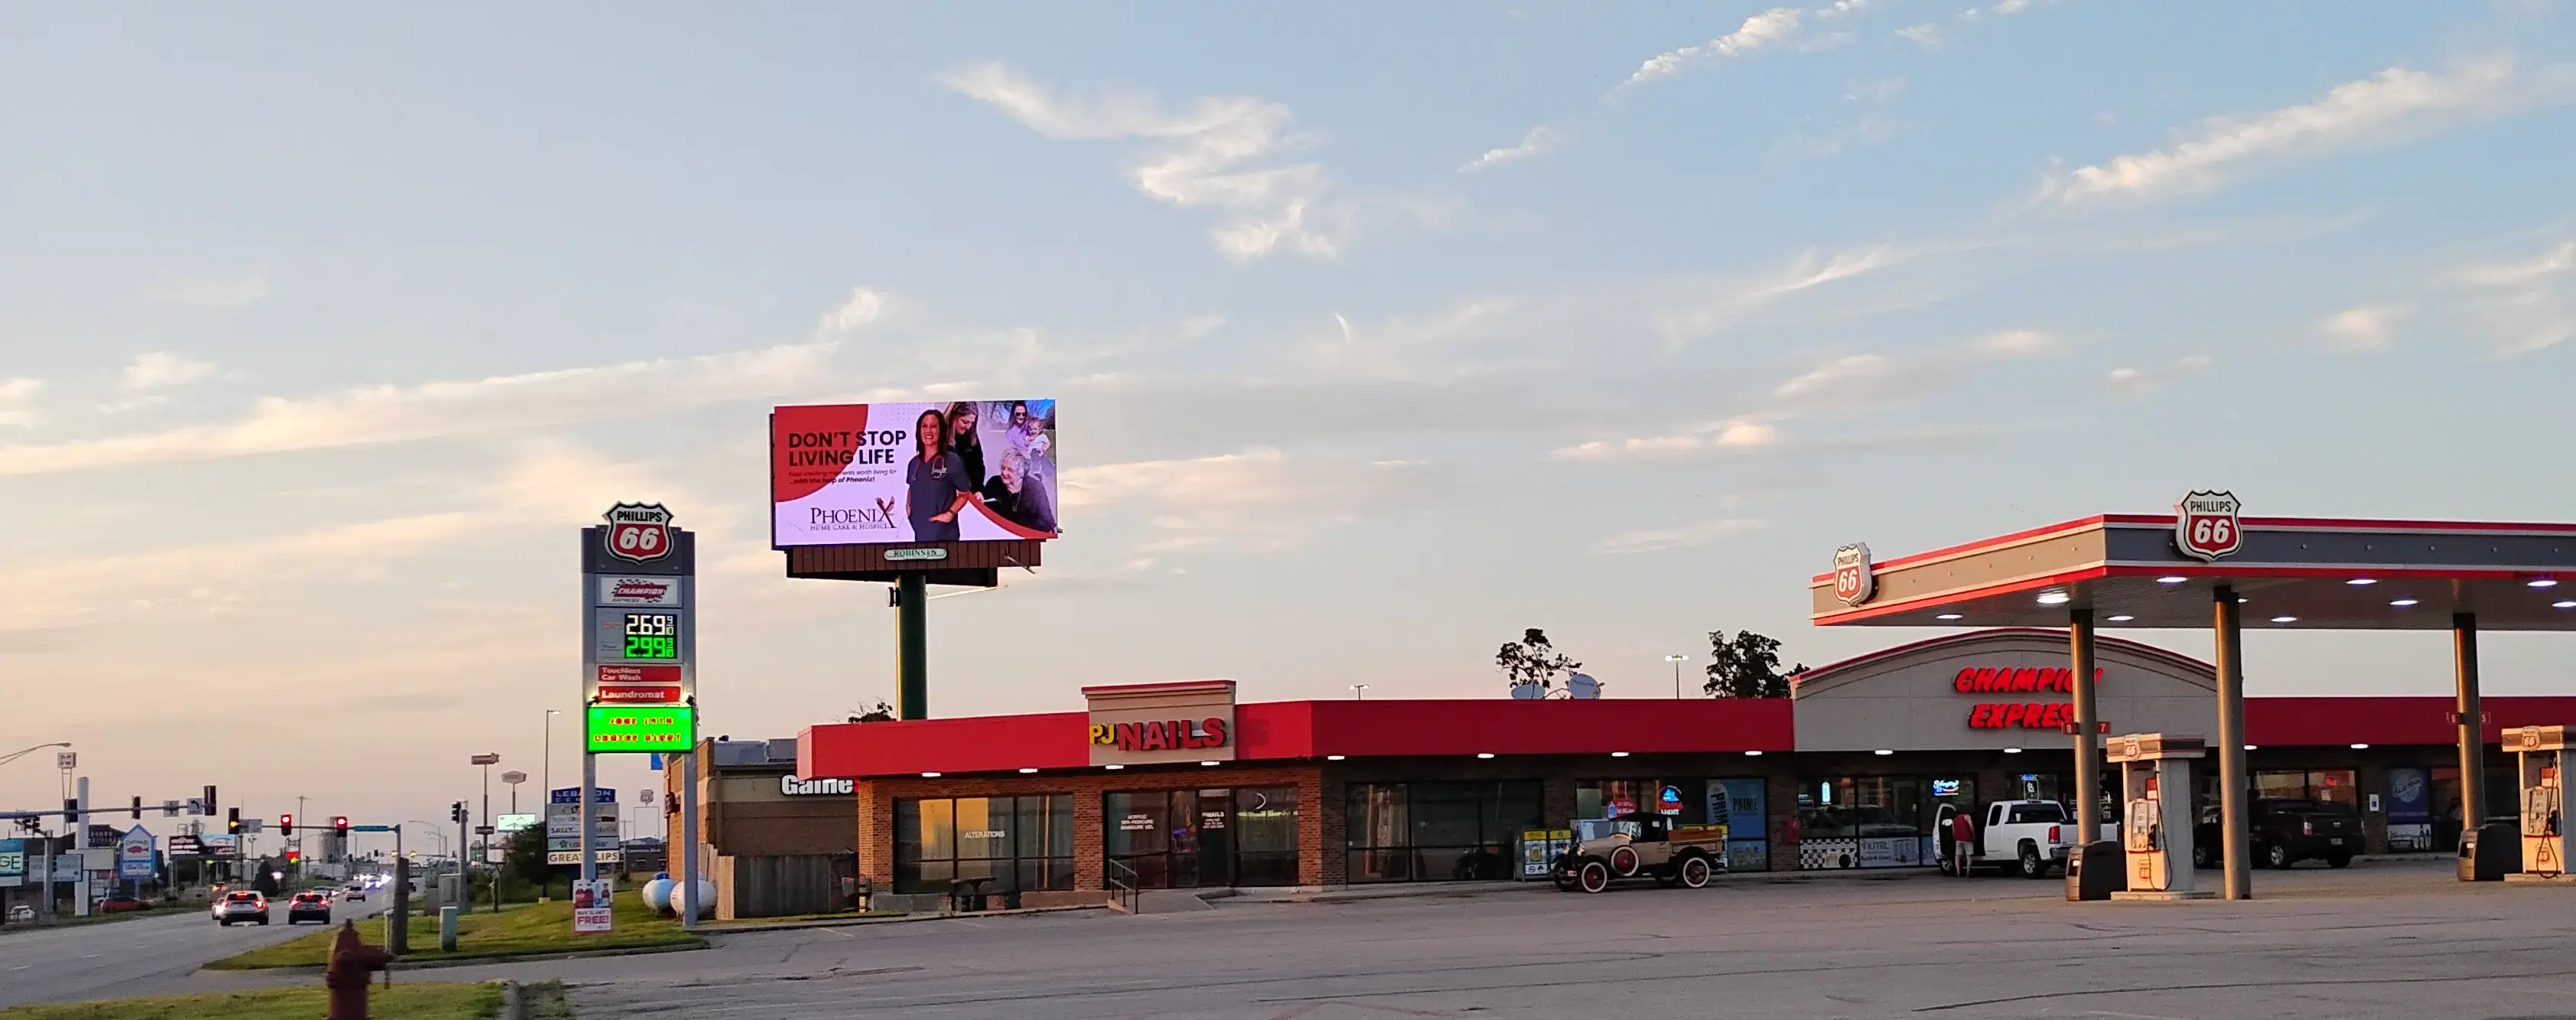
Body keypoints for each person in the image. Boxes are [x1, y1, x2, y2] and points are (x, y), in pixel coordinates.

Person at [904, 407, 970, 543]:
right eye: (924, 426)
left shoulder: (952, 461)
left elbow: (964, 494)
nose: (928, 431)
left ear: (941, 431)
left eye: (933, 426)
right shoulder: (914, 463)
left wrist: (950, 514)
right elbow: (912, 486)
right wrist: (908, 507)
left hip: (945, 536)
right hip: (921, 535)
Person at [978, 448, 1057, 533]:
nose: (1004, 473)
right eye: (1003, 468)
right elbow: (984, 511)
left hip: (1027, 539)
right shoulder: (994, 483)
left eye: (1010, 470)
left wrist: (1017, 524)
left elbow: (1048, 522)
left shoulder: (1035, 488)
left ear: (1021, 472)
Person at [946, 402, 986, 487]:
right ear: (953, 416)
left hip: (969, 492)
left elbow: (978, 467)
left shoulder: (971, 436)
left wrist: (978, 491)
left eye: (972, 423)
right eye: (965, 422)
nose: (968, 427)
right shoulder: (939, 435)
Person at [1951, 807, 1976, 877]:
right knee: (1968, 856)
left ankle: (1958, 873)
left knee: (1957, 856)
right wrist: (1973, 835)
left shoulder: (1954, 820)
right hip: (1967, 838)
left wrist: (1955, 838)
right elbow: (1971, 826)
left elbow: (1953, 830)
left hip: (1958, 839)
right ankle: (1968, 873)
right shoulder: (1967, 817)